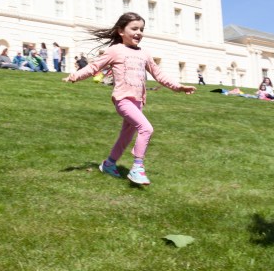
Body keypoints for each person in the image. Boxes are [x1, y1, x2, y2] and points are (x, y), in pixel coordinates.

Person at [63, 12, 195, 185]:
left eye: (141, 29)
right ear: (121, 31)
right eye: (134, 28)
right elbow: (94, 66)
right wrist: (75, 76)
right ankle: (137, 168)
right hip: (123, 100)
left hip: (138, 103)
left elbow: (158, 73)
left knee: (125, 136)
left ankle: (109, 164)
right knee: (146, 129)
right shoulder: (114, 51)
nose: (139, 32)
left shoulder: (144, 54)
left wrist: (178, 87)